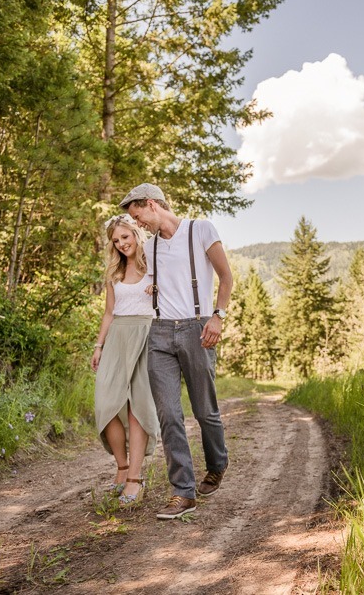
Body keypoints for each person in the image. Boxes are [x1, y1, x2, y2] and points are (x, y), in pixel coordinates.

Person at [119, 182, 233, 520]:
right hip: (160, 334)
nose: (138, 224)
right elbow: (150, 282)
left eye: (139, 216)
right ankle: (183, 492)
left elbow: (226, 276)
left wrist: (218, 316)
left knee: (204, 411)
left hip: (197, 328)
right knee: (169, 414)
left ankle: (216, 464)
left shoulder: (200, 229)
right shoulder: (149, 248)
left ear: (153, 205)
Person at [91, 214, 161, 505]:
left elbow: (175, 295)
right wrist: (98, 346)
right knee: (107, 404)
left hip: (147, 335)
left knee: (137, 408)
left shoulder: (156, 265)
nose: (121, 244)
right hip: (118, 336)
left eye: (125, 237)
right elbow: (109, 313)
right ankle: (121, 467)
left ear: (136, 233)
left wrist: (159, 288)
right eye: (116, 241)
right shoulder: (114, 274)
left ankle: (134, 478)